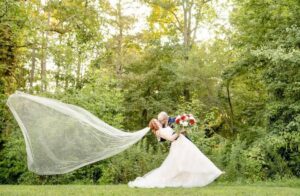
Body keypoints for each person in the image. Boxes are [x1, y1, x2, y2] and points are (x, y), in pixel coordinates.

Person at [128, 119, 225, 188]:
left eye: (158, 120)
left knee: (196, 157)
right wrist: (179, 131)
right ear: (155, 125)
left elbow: (174, 133)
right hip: (178, 146)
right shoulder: (159, 132)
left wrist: (182, 129)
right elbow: (171, 138)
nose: (158, 122)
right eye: (156, 122)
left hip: (182, 143)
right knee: (178, 165)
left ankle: (213, 171)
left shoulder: (165, 128)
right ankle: (212, 172)